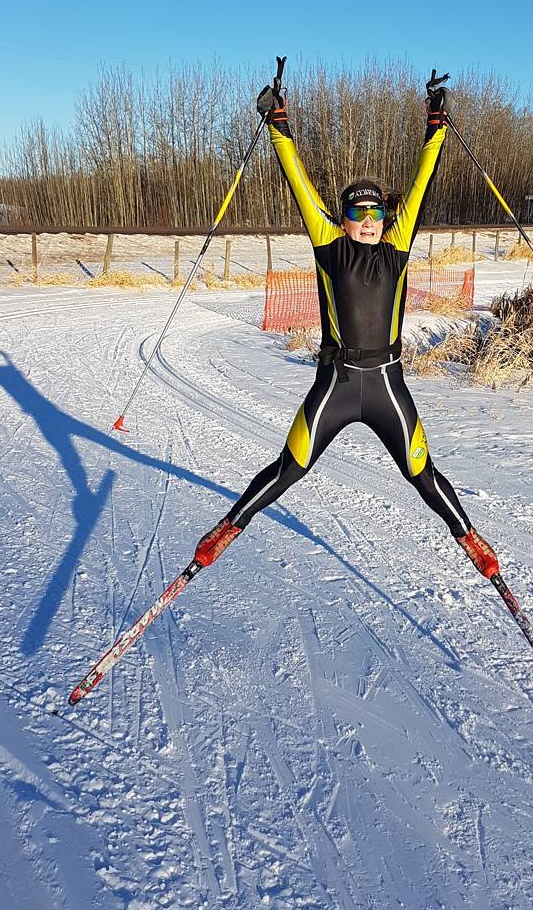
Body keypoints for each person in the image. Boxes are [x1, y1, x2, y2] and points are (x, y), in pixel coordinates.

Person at [192, 70, 501, 582]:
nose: (370, 217)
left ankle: (470, 539)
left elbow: (423, 183)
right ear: (342, 217)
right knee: (290, 468)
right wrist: (278, 125)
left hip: (386, 385)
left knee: (422, 473)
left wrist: (437, 126)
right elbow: (298, 183)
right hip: (336, 384)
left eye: (377, 209)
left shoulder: (396, 249)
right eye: (359, 211)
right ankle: (227, 529)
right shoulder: (329, 246)